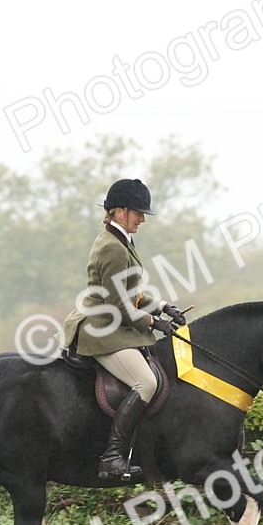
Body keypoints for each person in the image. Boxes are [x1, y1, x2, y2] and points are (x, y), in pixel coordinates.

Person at [61, 179, 188, 479]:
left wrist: (162, 306)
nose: (142, 219)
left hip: (113, 321)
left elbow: (131, 292)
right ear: (119, 212)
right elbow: (120, 305)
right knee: (147, 382)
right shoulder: (113, 248)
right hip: (101, 329)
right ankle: (112, 457)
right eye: (138, 213)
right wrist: (156, 324)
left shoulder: (120, 241)